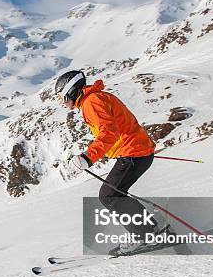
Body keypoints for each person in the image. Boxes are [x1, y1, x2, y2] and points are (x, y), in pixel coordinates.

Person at [56, 70, 169, 255]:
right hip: (136, 152)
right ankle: (150, 230)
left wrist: (88, 157)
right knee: (115, 194)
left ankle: (146, 235)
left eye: (62, 96)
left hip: (134, 153)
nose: (62, 102)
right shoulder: (95, 98)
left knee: (109, 196)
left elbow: (109, 132)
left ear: (71, 90)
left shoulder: (91, 102)